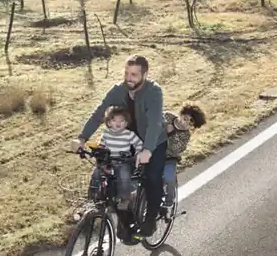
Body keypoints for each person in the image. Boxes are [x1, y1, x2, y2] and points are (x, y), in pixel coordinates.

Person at [73, 55, 166, 238]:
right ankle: (124, 219)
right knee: (111, 174)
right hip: (127, 139)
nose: (129, 78)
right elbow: (100, 112)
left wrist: (147, 150)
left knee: (151, 177)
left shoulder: (154, 91)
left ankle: (151, 216)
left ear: (145, 75)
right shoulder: (119, 89)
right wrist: (82, 138)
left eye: (134, 75)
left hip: (153, 141)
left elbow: (155, 122)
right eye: (126, 73)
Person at [90, 106, 144, 209]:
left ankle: (124, 199)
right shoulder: (106, 133)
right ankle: (95, 195)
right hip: (108, 160)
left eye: (122, 120)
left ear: (126, 123)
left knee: (124, 176)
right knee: (97, 172)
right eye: (114, 120)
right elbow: (101, 145)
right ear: (109, 122)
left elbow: (139, 144)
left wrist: (138, 153)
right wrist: (98, 151)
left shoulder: (129, 134)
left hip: (123, 161)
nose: (118, 123)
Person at [162, 104, 207, 206]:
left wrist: (171, 133)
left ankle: (169, 200)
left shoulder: (185, 135)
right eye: (185, 118)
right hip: (154, 151)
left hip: (170, 157)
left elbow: (177, 149)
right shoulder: (167, 116)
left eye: (190, 122)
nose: (185, 123)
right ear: (180, 114)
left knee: (169, 177)